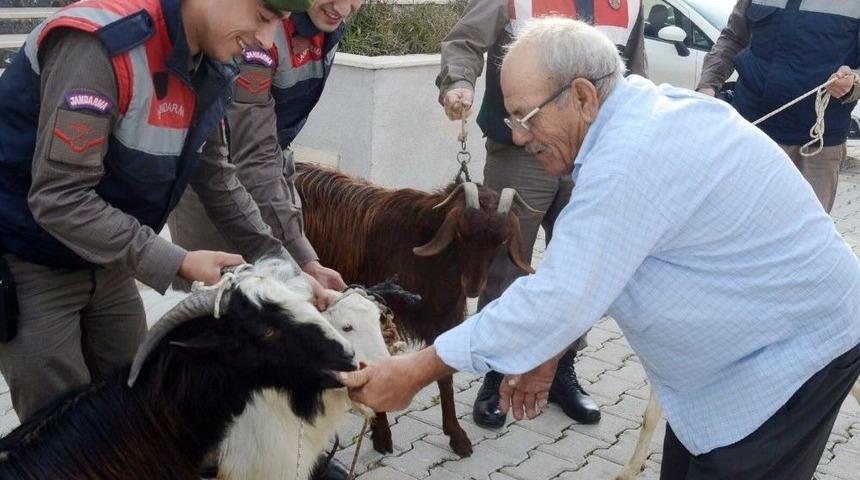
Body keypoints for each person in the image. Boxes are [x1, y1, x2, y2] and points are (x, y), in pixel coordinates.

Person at [340, 18, 860, 479]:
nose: (517, 137)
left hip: (788, 359)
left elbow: (559, 295)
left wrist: (415, 370)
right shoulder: (637, 117)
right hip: (733, 361)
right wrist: (550, 343)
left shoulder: (629, 158)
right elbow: (602, 270)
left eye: (524, 116)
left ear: (584, 97)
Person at [0, 0, 323, 424]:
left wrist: (291, 266)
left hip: (108, 256)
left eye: (278, 23)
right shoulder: (101, 46)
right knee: (62, 430)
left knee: (137, 400)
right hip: (27, 259)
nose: (265, 41)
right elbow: (60, 198)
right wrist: (177, 262)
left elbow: (216, 177)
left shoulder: (213, 60)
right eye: (262, 18)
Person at [436, 0, 648, 428]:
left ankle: (562, 367)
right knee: (506, 263)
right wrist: (458, 82)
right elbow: (464, 40)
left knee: (583, 263)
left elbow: (634, 69)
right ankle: (497, 370)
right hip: (522, 149)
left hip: (593, 152)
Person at [168, 0, 365, 292]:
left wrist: (302, 260)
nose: (344, 9)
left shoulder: (327, 20)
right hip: (213, 181)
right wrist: (299, 257)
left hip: (268, 166)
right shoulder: (257, 35)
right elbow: (250, 156)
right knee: (214, 301)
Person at [696, 0, 860, 213]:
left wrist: (852, 82)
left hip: (815, 150)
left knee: (804, 231)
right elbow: (733, 37)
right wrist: (707, 86)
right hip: (751, 133)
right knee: (734, 221)